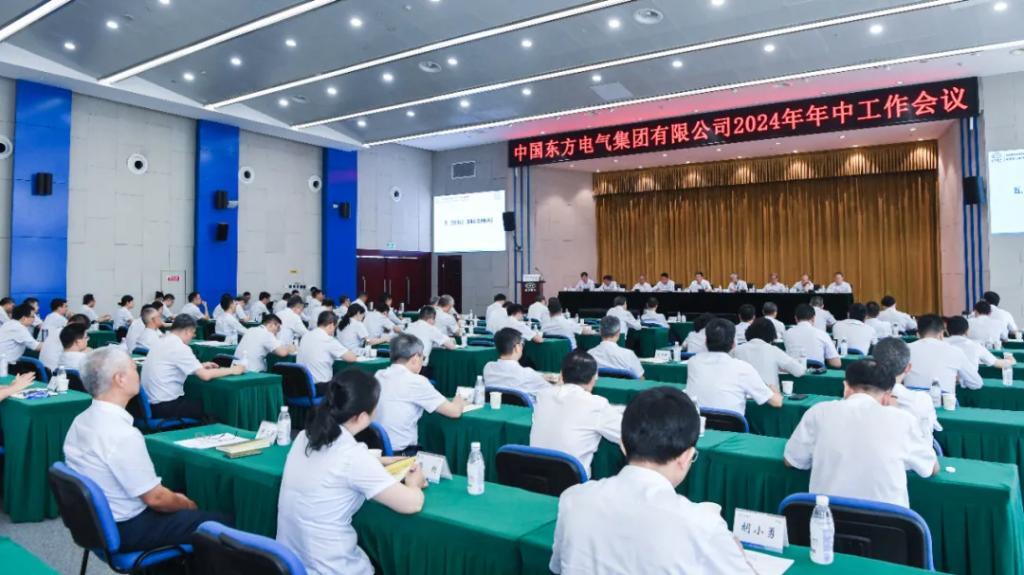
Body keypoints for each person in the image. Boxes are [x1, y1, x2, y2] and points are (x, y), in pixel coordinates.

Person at [549, 386, 755, 574]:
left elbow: (558, 567)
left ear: (622, 446)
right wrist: (737, 555)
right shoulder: (702, 525)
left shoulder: (573, 499)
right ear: (686, 457)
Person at [64, 347, 231, 552]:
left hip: (94, 524)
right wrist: (188, 506)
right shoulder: (121, 433)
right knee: (224, 522)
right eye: (134, 369)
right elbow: (156, 499)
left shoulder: (80, 420)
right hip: (128, 527)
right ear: (120, 379)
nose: (138, 375)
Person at [277, 368, 427, 575]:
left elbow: (333, 463)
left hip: (293, 564)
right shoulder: (353, 457)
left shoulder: (304, 437)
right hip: (332, 569)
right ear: (363, 416)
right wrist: (414, 482)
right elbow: (412, 504)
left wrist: (380, 460)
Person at [784, 359, 938, 508]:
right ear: (888, 395)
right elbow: (932, 468)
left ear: (846, 387)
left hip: (829, 519)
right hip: (888, 522)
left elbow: (791, 461)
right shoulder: (903, 419)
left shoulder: (818, 412)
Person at [531, 350, 622, 477]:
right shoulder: (596, 404)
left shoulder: (543, 395)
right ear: (594, 378)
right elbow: (626, 433)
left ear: (561, 374)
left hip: (536, 478)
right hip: (573, 483)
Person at [374, 334, 466, 454]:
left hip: (378, 451)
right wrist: (459, 398)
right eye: (423, 357)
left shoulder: (379, 375)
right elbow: (454, 412)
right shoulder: (416, 381)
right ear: (415, 358)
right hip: (403, 455)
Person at [141, 315, 244, 420]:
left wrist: (200, 365)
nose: (193, 336)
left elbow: (172, 364)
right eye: (193, 333)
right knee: (212, 406)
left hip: (151, 405)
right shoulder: (179, 347)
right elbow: (205, 376)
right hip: (165, 406)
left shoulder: (161, 341)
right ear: (187, 331)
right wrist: (233, 370)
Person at [687, 319, 781, 415]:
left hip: (698, 423)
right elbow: (776, 402)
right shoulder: (743, 368)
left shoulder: (693, 362)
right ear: (733, 344)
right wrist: (774, 390)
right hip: (731, 425)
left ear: (705, 341)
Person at [873, 337, 939, 440]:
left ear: (873, 365)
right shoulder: (922, 400)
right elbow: (927, 435)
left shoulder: (859, 398)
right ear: (908, 368)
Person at [905, 314, 982, 394]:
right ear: (942, 334)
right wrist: (959, 379)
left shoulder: (906, 349)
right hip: (942, 401)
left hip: (910, 400)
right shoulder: (955, 351)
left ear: (918, 334)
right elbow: (976, 383)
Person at [734, 318, 806, 391]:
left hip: (742, 395)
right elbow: (799, 371)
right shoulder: (773, 350)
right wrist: (783, 368)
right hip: (769, 395)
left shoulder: (736, 350)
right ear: (771, 334)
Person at [297, 311, 358, 391]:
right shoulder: (328, 339)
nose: (334, 331)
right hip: (320, 387)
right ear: (331, 325)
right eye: (335, 328)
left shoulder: (306, 336)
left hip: (301, 386)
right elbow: (352, 358)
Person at [482, 328, 552, 398]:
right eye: (522, 344)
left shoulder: (488, 368)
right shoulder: (527, 374)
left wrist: (539, 376)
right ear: (517, 347)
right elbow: (551, 390)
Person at [947, 315, 1016, 370]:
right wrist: (1011, 360)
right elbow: (999, 364)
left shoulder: (941, 344)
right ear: (967, 331)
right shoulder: (975, 346)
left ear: (947, 331)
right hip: (968, 382)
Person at [783, 304, 841, 368]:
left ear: (795, 318)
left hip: (794, 372)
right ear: (813, 318)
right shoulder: (822, 334)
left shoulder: (786, 334)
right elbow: (836, 363)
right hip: (816, 373)